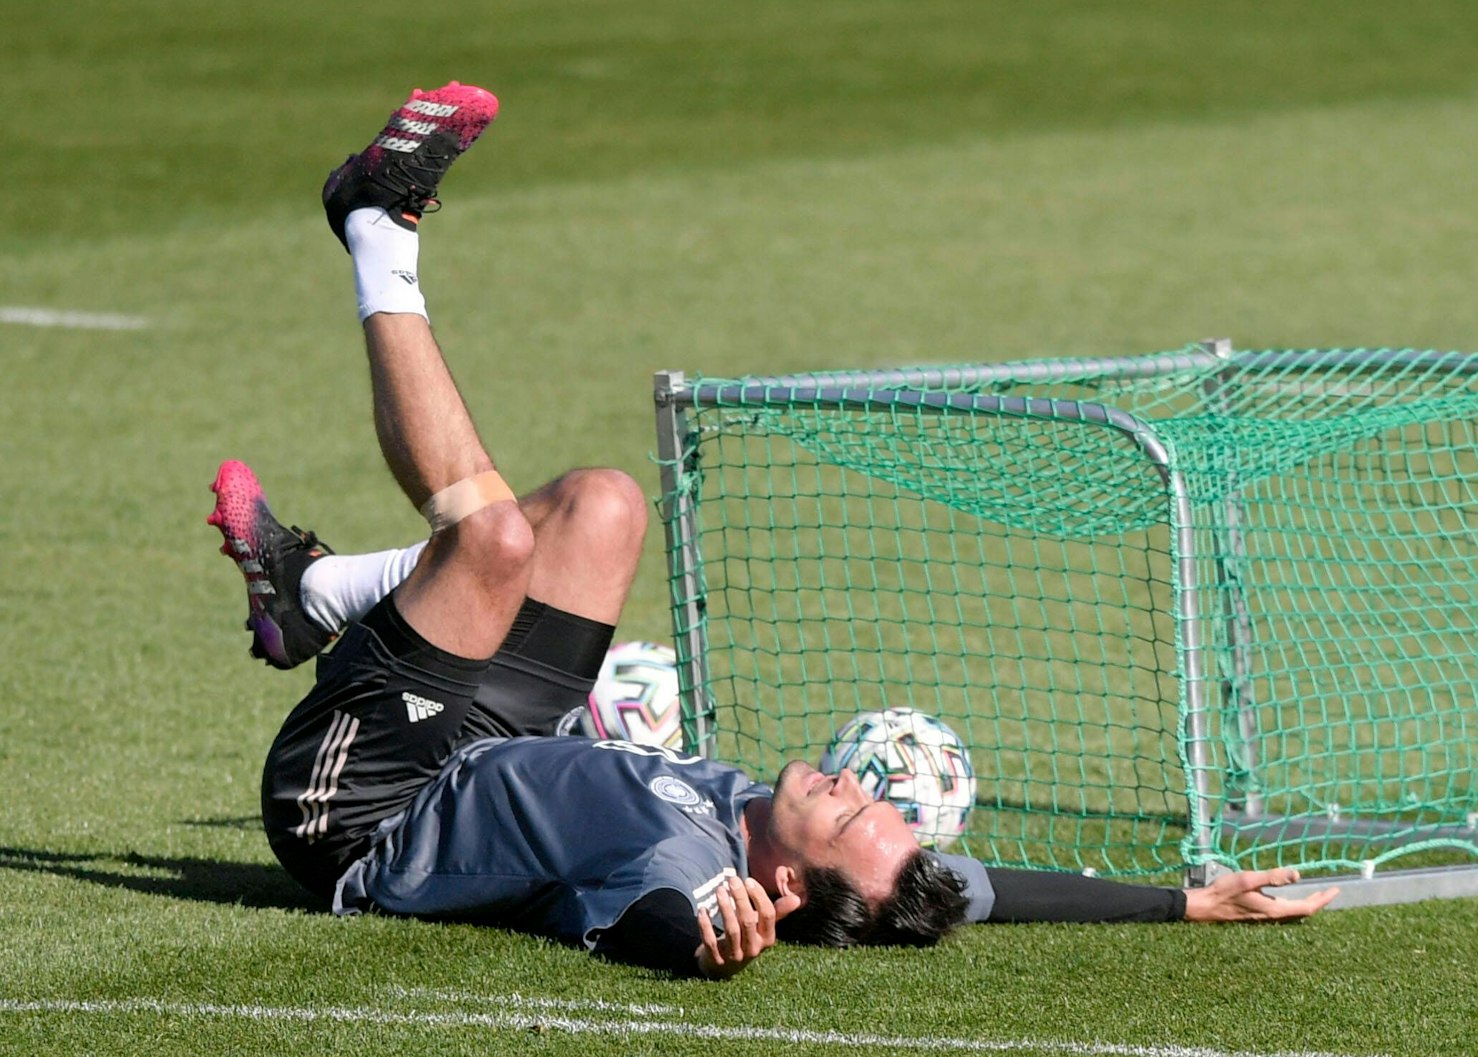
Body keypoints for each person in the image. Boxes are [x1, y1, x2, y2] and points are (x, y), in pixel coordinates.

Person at [207, 81, 1339, 980]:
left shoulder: (687, 865)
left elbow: (655, 919)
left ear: (785, 887)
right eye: (877, 801)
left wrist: (707, 947)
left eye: (850, 816)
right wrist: (1185, 900)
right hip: (495, 732)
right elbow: (990, 888)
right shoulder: (764, 812)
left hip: (366, 804)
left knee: (495, 540)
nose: (858, 788)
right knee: (605, 504)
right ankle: (313, 595)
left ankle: (375, 221)